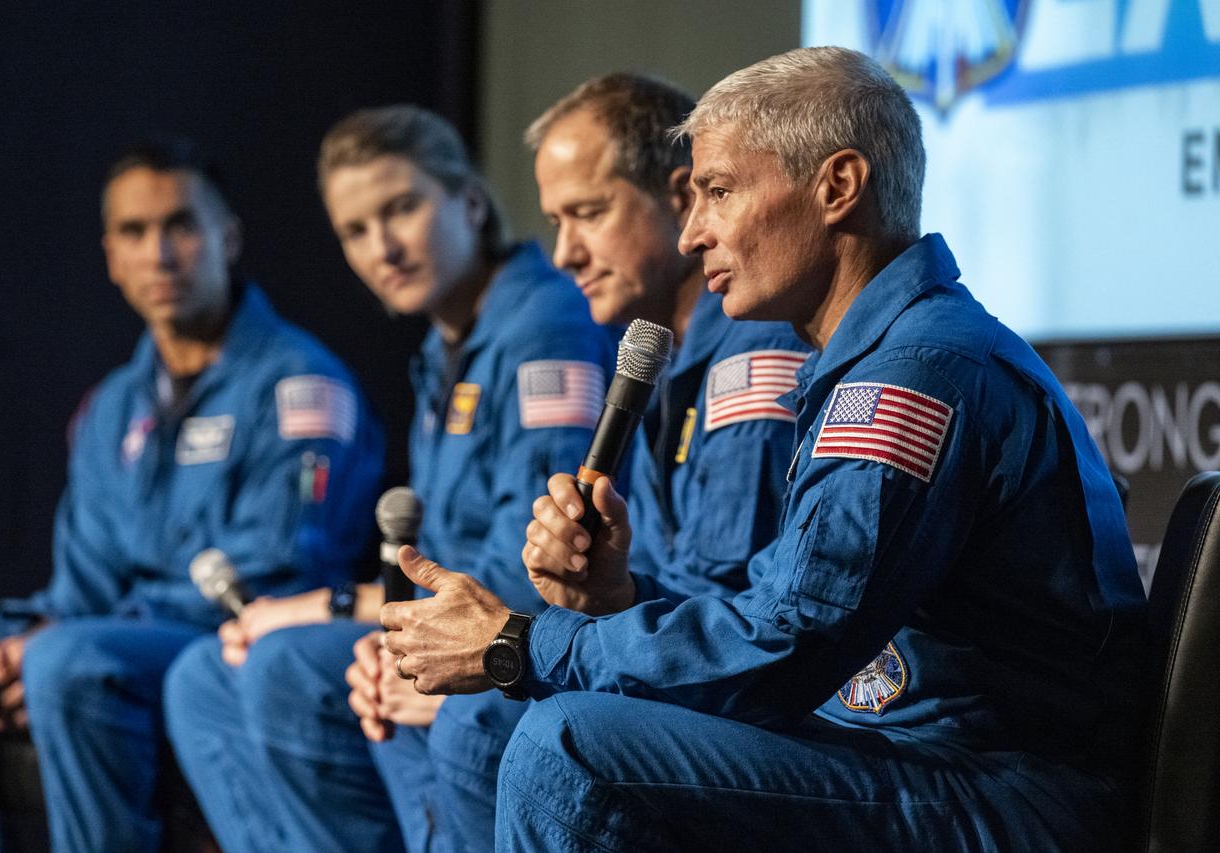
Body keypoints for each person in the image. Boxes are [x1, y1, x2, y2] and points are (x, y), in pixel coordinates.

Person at [377, 47, 1147, 851]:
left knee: (567, 743)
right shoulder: (877, 356)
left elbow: (791, 641)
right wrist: (621, 594)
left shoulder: (916, 372)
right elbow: (785, 614)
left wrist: (519, 644)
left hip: (1004, 790)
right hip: (912, 756)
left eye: (718, 191)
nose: (692, 231)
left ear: (837, 187)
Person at [340, 73, 811, 850]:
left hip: (779, 711)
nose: (566, 252)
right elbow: (656, 595)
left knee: (478, 716)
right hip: (677, 665)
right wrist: (595, 593)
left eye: (588, 213)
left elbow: (726, 611)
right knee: (394, 687)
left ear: (682, 197)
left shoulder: (745, 352)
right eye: (557, 220)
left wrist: (510, 651)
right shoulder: (656, 355)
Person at [162, 105, 615, 853]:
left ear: (468, 203)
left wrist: (333, 603)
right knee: (203, 676)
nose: (383, 247)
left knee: (285, 661)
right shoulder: (447, 344)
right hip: (449, 617)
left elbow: (534, 568)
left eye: (401, 209)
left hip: (524, 637)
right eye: (355, 230)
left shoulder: (543, 327)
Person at [0, 140, 384, 852]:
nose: (160, 254)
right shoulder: (110, 406)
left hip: (234, 639)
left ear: (227, 238)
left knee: (66, 660)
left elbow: (277, 572)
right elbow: (79, 583)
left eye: (181, 225)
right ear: (111, 255)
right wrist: (28, 638)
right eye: (134, 233)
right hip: (100, 630)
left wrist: (57, 643)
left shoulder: (303, 386)